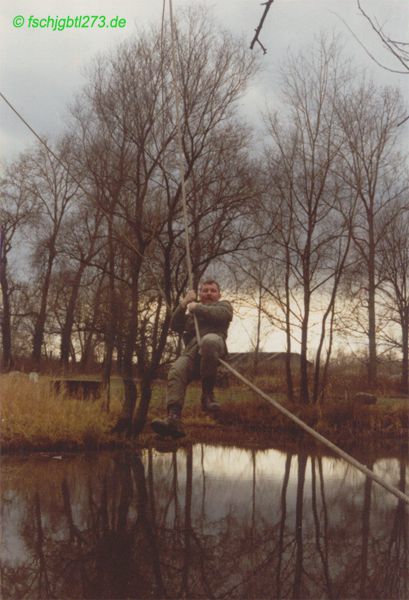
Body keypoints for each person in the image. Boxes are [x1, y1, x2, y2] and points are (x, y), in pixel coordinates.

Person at [151, 279, 233, 438]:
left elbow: (223, 315)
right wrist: (183, 304)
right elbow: (174, 326)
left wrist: (197, 307)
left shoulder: (224, 306)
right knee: (176, 370)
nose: (209, 293)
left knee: (208, 341)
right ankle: (174, 419)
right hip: (191, 353)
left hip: (213, 347)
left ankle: (207, 395)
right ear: (200, 294)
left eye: (212, 290)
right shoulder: (192, 315)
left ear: (219, 294)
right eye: (205, 290)